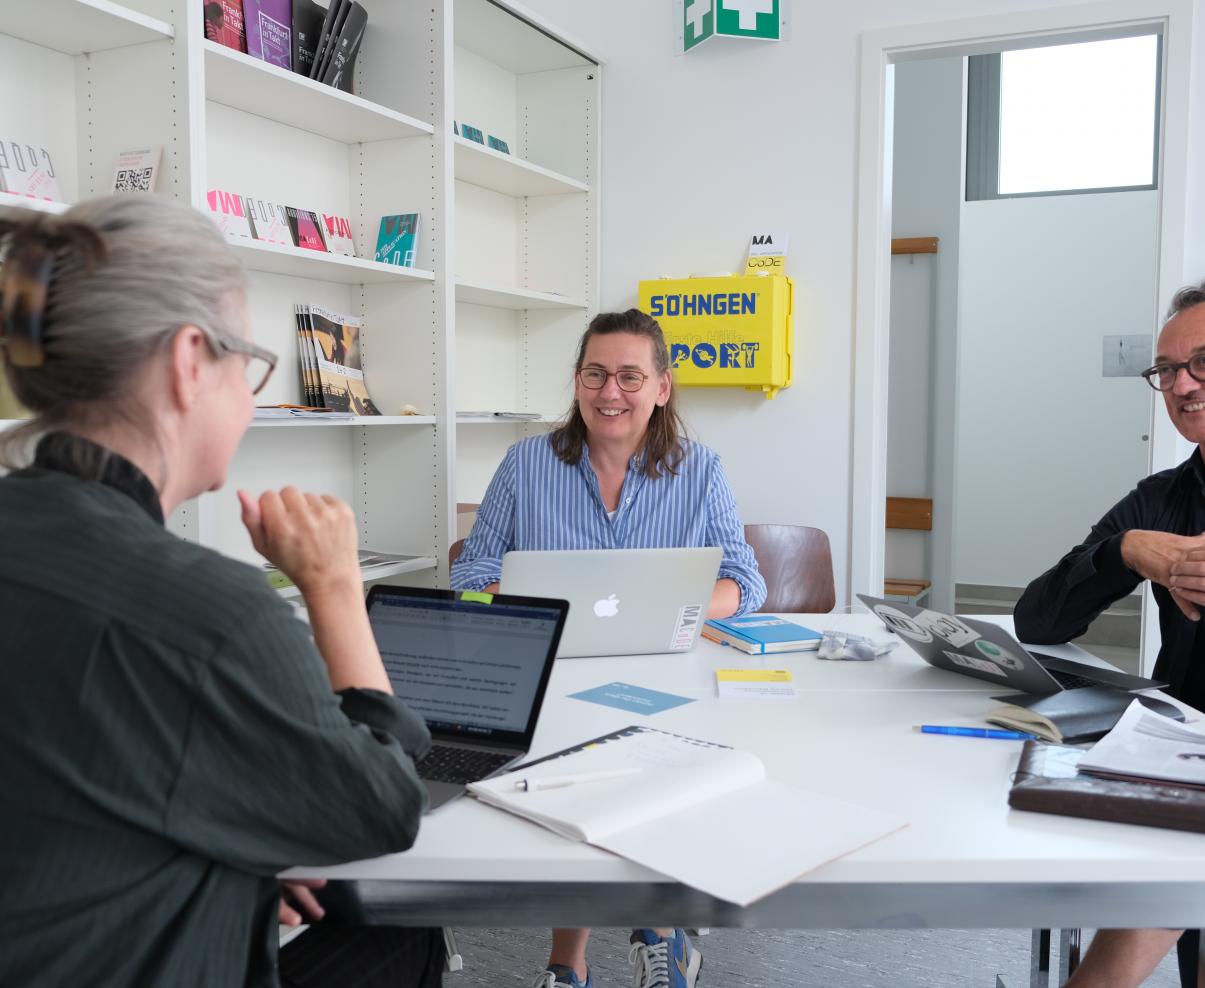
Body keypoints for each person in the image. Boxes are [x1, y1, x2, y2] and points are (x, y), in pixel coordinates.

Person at [0, 196, 442, 987]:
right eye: (248, 366)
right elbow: (381, 813)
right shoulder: (214, 618)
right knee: (403, 935)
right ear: (188, 361)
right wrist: (334, 586)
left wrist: (228, 852)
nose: (248, 396)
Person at [1014, 274, 1205, 988]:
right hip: (1190, 747)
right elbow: (1039, 618)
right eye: (1168, 371)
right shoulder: (1160, 501)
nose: (1184, 386)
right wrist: (1126, 551)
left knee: (1198, 864)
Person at [451, 307, 767, 988]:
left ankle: (660, 929)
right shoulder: (526, 463)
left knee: (669, 772)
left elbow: (746, 583)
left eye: (629, 375)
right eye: (595, 374)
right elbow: (471, 578)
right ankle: (568, 964)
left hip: (667, 668)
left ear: (662, 387)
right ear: (576, 381)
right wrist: (529, 607)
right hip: (557, 669)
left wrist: (675, 613)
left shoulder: (701, 470)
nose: (609, 392)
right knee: (578, 786)